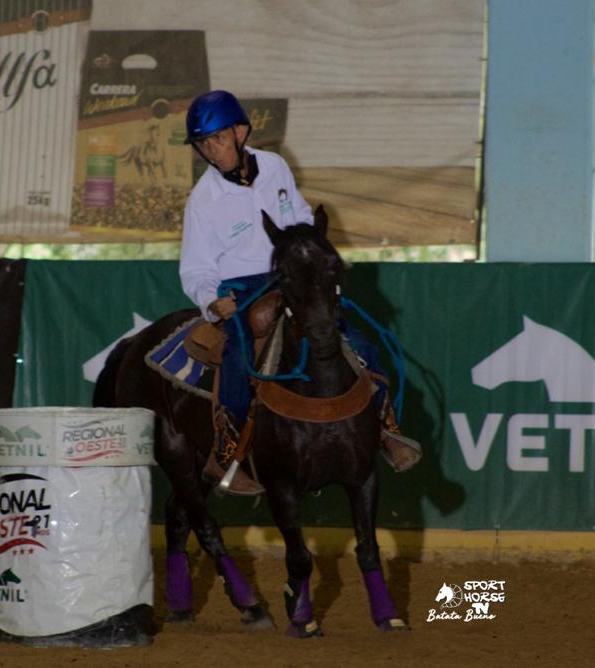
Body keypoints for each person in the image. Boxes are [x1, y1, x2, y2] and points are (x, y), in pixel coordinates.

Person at [178, 90, 421, 495]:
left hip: (291, 276)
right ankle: (227, 452)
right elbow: (196, 268)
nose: (210, 149)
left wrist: (310, 252)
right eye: (203, 143)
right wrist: (210, 300)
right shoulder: (203, 200)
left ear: (240, 132)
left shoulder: (273, 166)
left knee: (359, 343)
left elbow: (300, 216)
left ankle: (385, 429)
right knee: (239, 357)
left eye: (217, 138)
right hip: (244, 289)